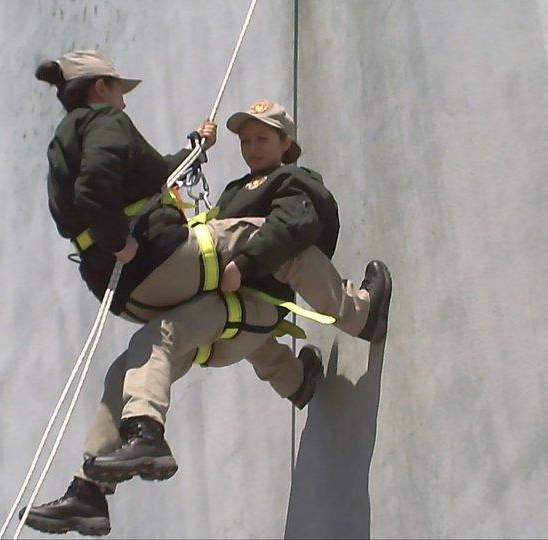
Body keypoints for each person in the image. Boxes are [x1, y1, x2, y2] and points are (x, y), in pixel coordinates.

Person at [20, 85, 392, 536]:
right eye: (246, 140)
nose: (252, 147)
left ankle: (360, 313)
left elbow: (296, 225)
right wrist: (194, 151)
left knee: (184, 325)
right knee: (131, 362)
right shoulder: (234, 193)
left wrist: (246, 264)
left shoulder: (292, 181)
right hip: (228, 313)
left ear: (286, 145)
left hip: (252, 302)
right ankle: (89, 491)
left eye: (263, 139)